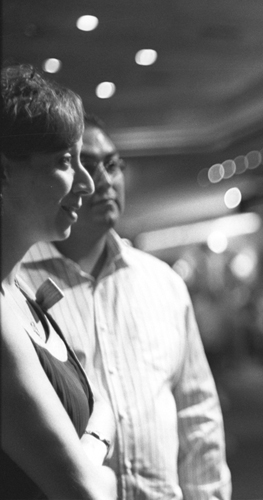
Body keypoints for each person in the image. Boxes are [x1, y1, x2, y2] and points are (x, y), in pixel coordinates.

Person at [19, 114, 232, 499]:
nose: (102, 180)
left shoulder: (162, 282)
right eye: (84, 163)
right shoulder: (17, 283)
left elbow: (196, 413)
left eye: (113, 164)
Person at [1, 64, 117, 498]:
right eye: (66, 161)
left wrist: (90, 446)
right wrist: (100, 461)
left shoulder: (20, 295)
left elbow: (103, 403)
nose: (87, 184)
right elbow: (87, 492)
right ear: (4, 172)